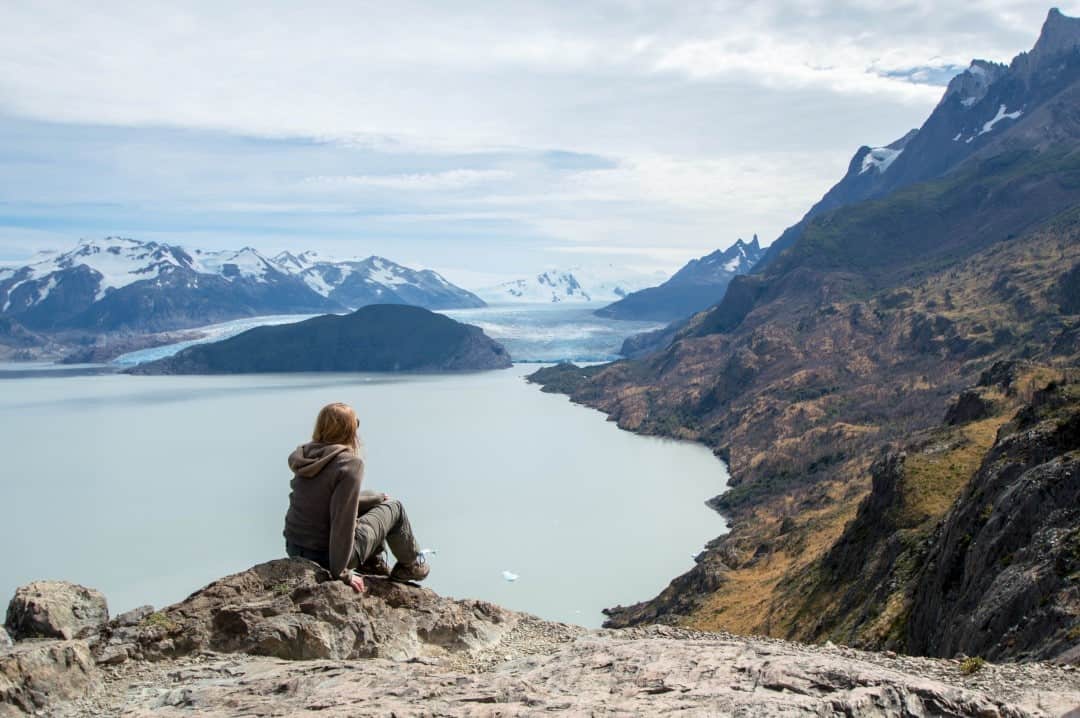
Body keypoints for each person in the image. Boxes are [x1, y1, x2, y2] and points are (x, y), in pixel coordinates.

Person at [283, 402, 429, 592]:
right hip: (327, 557)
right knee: (395, 507)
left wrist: (375, 498)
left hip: (295, 548)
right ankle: (411, 566)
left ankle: (371, 563)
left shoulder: (306, 455)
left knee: (375, 500)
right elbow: (342, 520)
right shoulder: (350, 463)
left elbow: (326, 500)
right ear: (349, 429)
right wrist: (342, 573)